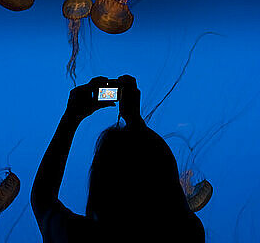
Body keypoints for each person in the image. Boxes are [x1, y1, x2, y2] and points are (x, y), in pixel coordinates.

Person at [31, 75, 205, 242]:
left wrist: (71, 117)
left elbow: (42, 198)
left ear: (100, 182)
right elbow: (177, 207)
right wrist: (136, 123)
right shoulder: (187, 235)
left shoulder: (83, 237)